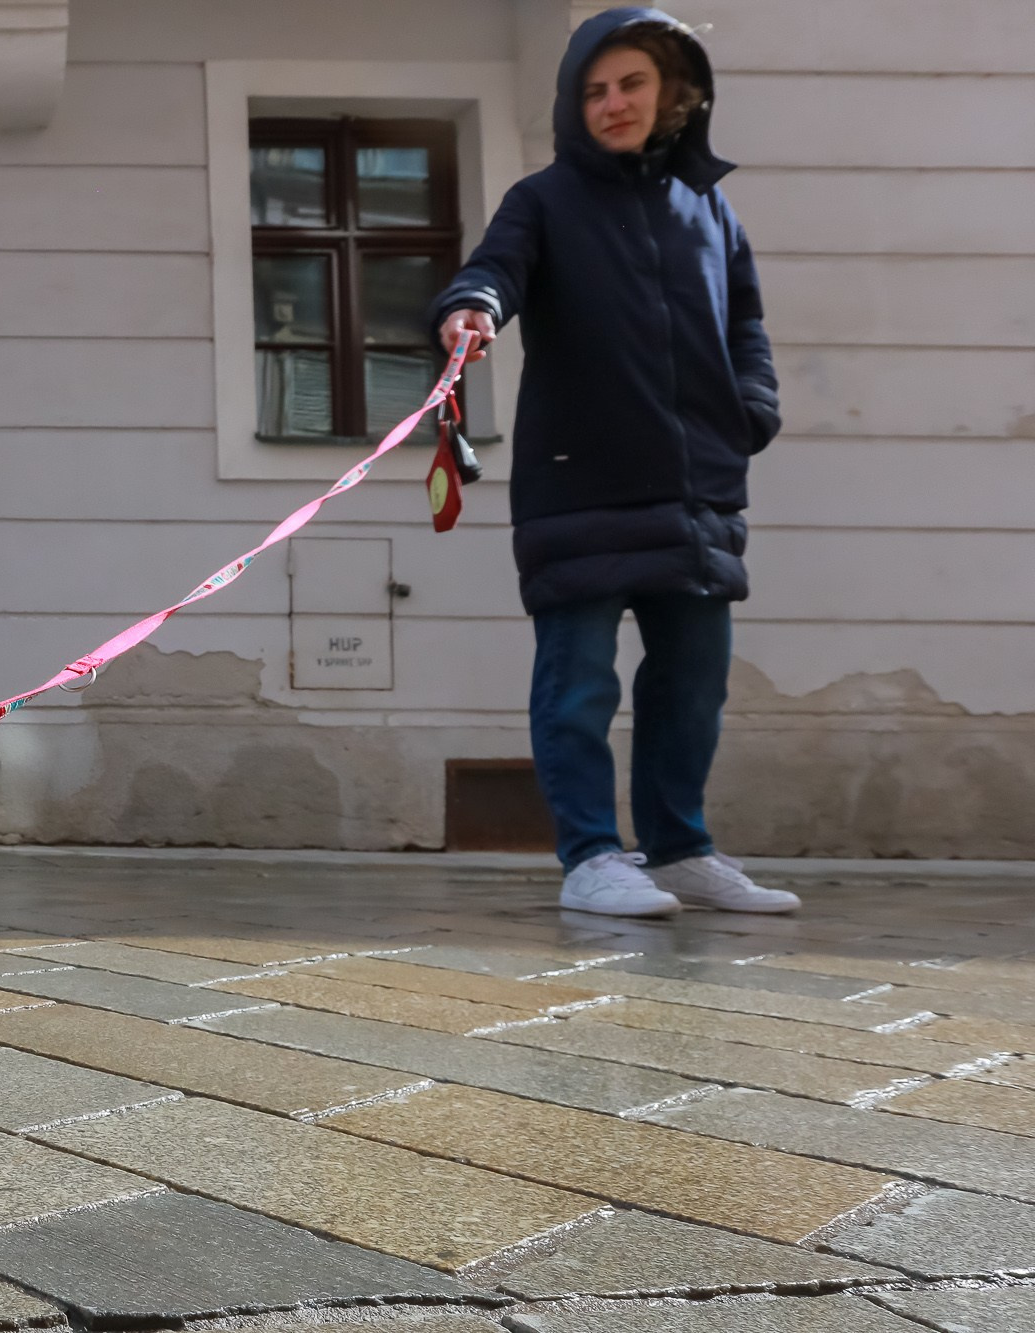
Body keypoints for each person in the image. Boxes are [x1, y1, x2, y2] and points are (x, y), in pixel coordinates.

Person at [429, 7, 799, 918]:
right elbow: (495, 270)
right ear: (571, 104)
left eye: (631, 83)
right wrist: (471, 306)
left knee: (692, 681)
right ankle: (591, 856)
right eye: (593, 90)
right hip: (578, 478)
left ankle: (678, 851)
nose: (613, 103)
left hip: (698, 486)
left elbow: (745, 320)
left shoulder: (712, 209)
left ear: (673, 92)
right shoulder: (543, 199)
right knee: (578, 679)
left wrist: (754, 407)